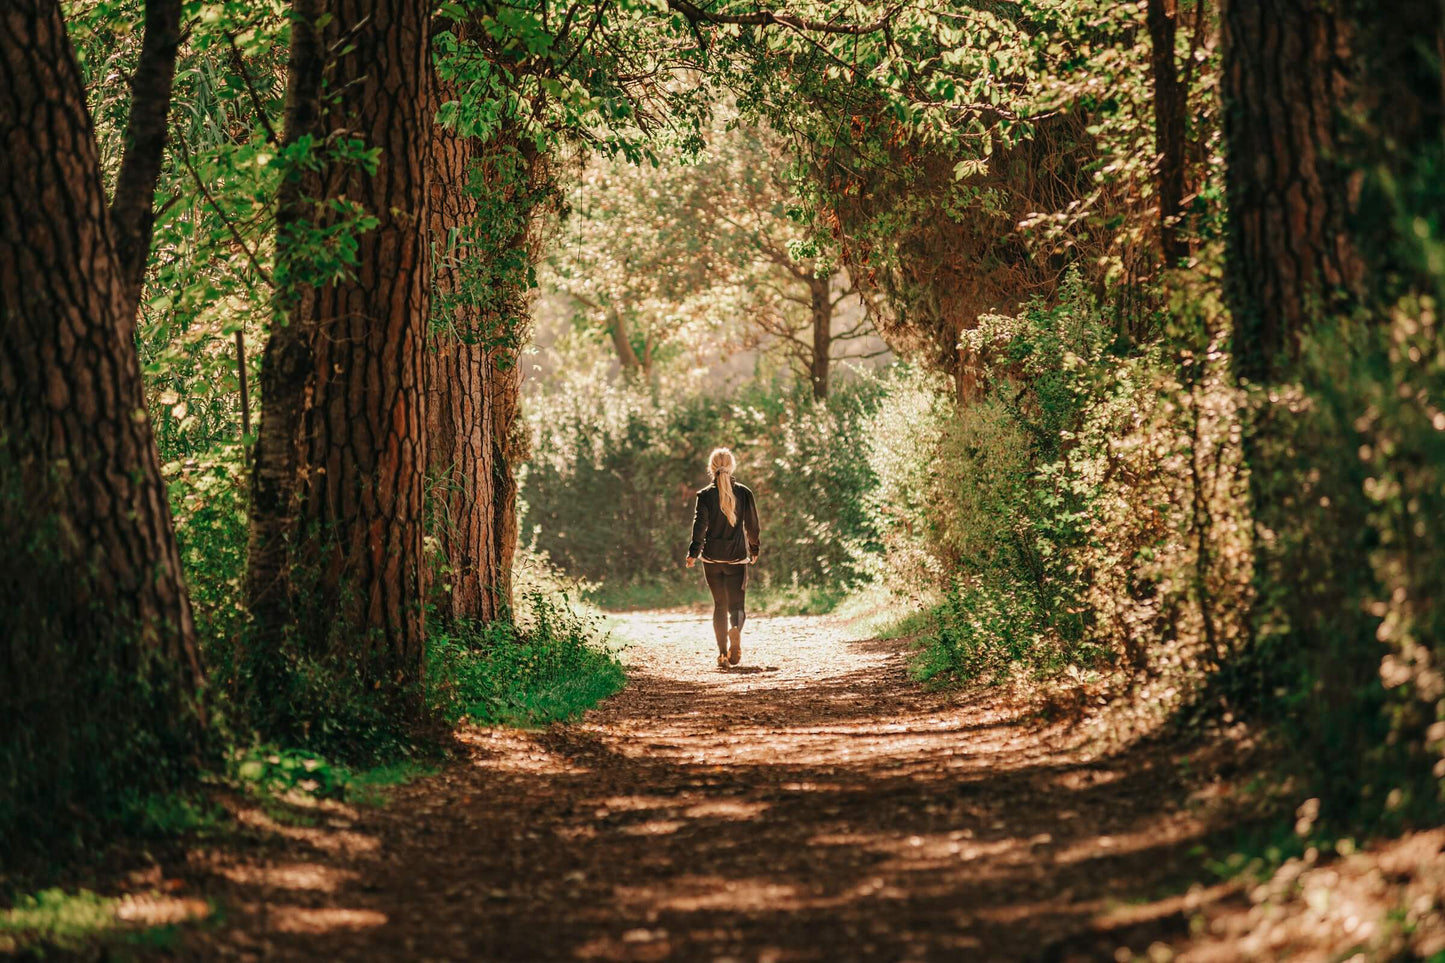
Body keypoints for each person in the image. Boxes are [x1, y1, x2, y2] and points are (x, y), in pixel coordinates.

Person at [685, 448, 761, 668]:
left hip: (712, 559)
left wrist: (693, 553)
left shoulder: (705, 495)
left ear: (711, 468)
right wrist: (754, 549)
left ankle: (722, 655)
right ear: (732, 466)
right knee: (737, 605)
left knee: (719, 605)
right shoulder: (744, 493)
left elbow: (700, 525)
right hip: (736, 558)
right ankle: (735, 630)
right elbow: (752, 526)